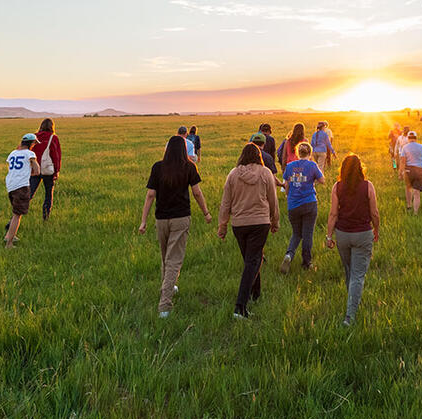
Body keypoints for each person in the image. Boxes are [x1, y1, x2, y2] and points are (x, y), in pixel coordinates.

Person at [137, 135, 211, 317]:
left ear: (167, 149)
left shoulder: (158, 167)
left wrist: (144, 221)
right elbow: (197, 193)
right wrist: (206, 213)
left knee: (166, 257)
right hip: (180, 218)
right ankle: (165, 305)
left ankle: (168, 286)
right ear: (184, 150)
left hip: (161, 218)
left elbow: (150, 195)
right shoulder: (189, 167)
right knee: (173, 260)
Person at [217, 143, 280, 319]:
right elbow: (273, 201)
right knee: (252, 260)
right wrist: (275, 221)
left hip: (239, 224)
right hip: (260, 222)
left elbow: (226, 203)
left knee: (251, 259)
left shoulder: (233, 174)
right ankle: (240, 307)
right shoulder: (266, 173)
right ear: (259, 156)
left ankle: (256, 293)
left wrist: (222, 225)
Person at [325, 154, 380, 326]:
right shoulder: (368, 186)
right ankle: (350, 316)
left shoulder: (337, 187)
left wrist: (328, 236)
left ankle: (352, 301)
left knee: (349, 270)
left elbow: (333, 214)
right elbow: (374, 213)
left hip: (342, 235)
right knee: (357, 275)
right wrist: (376, 229)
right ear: (360, 169)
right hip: (363, 234)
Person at [280, 141, 325, 273]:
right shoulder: (312, 165)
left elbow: (286, 186)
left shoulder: (290, 166)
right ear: (310, 153)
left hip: (293, 204)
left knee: (296, 233)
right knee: (307, 234)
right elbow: (322, 180)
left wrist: (289, 196)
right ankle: (306, 262)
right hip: (309, 203)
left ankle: (289, 255)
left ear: (297, 153)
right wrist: (314, 178)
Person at [5, 133, 41, 247]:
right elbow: (37, 170)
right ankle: (9, 243)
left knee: (15, 211)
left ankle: (10, 235)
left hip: (10, 185)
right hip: (21, 186)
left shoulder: (13, 153)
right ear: (31, 143)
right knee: (17, 215)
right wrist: (29, 172)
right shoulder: (30, 154)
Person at [30, 118, 61, 221]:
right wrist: (57, 171)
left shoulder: (33, 137)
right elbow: (56, 156)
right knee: (48, 194)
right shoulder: (53, 138)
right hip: (48, 170)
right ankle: (46, 218)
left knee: (29, 194)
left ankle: (15, 216)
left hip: (34, 170)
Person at [398, 130, 422, 213]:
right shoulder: (421, 147)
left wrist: (400, 173)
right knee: (416, 192)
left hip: (408, 171)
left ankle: (408, 206)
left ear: (408, 138)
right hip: (419, 170)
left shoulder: (405, 147)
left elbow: (402, 161)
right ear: (416, 138)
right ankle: (415, 213)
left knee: (408, 188)